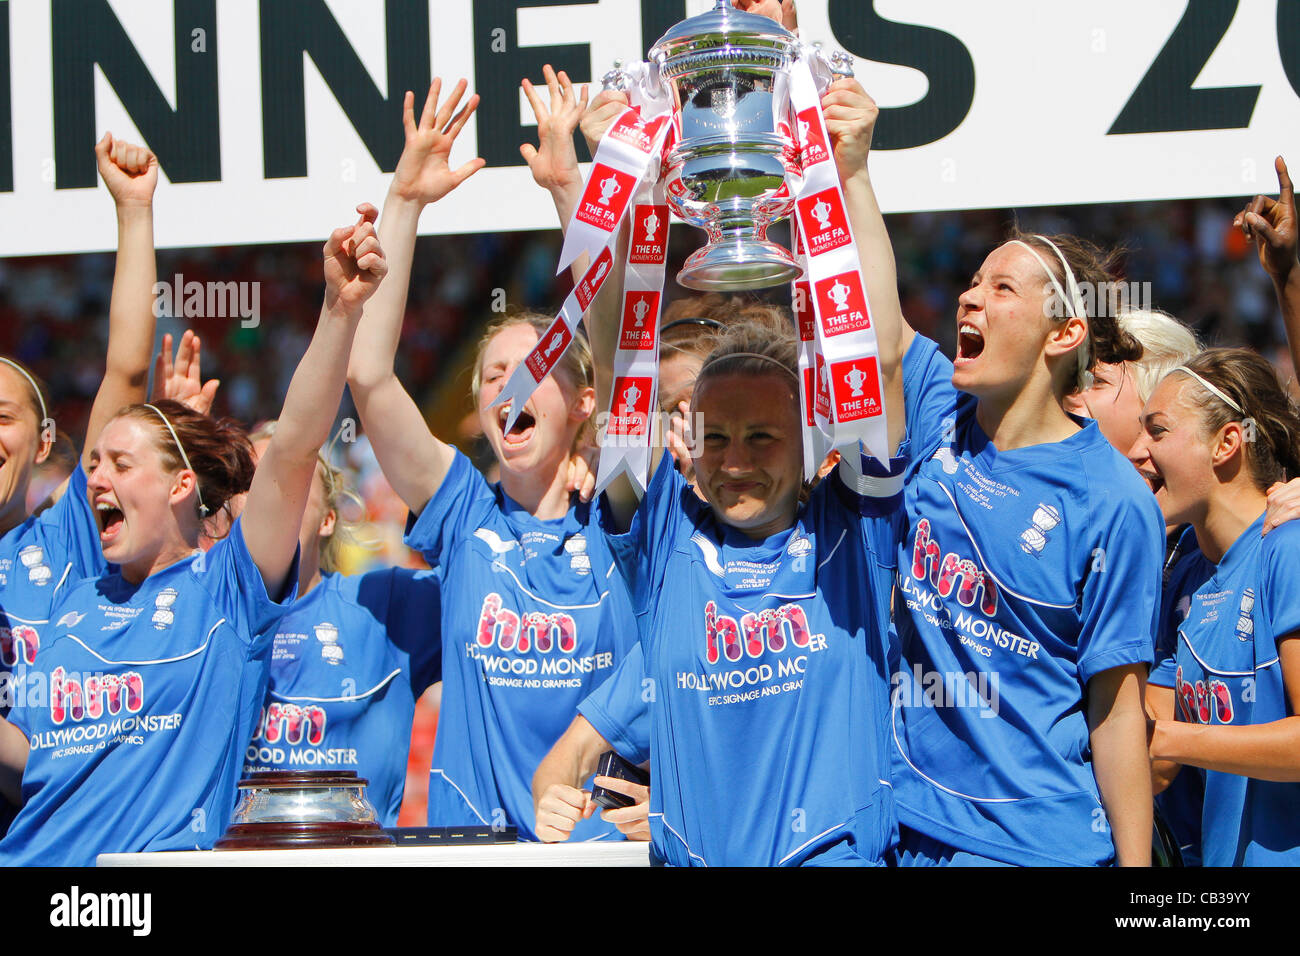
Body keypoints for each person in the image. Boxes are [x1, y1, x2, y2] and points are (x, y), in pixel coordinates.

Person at [0, 206, 389, 865]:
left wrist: (339, 311)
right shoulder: (70, 587)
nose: (97, 478)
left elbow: (292, 449)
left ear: (181, 486)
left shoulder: (228, 593)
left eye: (122, 465)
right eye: (94, 464)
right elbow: (43, 761)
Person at [345, 78, 637, 841]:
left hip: (598, 853)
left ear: (584, 405)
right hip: (472, 851)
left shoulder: (622, 514)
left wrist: (571, 190)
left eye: (540, 364)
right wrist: (404, 202)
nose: (515, 382)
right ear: (477, 415)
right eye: (494, 376)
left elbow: (619, 351)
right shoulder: (462, 511)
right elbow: (369, 378)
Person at [0, 136, 165, 831]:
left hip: (63, 832)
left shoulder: (70, 534)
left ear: (43, 444)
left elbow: (125, 371)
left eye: (1, 417)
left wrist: (133, 213)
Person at [1137, 350, 1300, 865]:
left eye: (1158, 431)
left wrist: (1171, 737)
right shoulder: (1189, 577)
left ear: (1228, 442)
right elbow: (1148, 751)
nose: (1138, 451)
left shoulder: (1287, 547)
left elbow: (1163, 737)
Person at [241, 422, 442, 827]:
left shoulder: (384, 602)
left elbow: (491, 575)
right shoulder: (204, 610)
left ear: (328, 519)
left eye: (289, 479)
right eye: (251, 483)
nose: (268, 498)